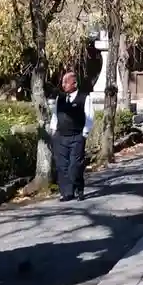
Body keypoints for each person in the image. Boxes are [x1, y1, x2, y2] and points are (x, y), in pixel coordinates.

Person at [52, 71, 92, 201]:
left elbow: (89, 117)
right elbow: (55, 115)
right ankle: (66, 193)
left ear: (74, 84)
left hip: (77, 136)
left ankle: (78, 187)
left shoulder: (84, 98)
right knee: (62, 166)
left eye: (66, 82)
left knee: (75, 166)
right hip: (61, 136)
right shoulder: (60, 98)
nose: (63, 85)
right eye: (63, 82)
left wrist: (84, 133)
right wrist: (53, 131)